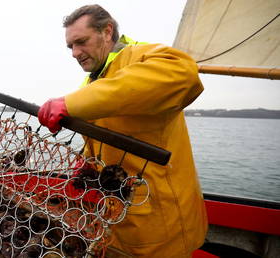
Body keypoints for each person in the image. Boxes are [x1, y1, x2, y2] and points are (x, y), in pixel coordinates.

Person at [38, 4, 208, 258]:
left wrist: (70, 103)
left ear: (107, 32)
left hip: (158, 224)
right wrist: (86, 164)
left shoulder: (142, 57)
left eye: (81, 42)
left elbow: (185, 74)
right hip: (115, 217)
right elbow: (106, 136)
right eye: (70, 46)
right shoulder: (94, 80)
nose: (75, 52)